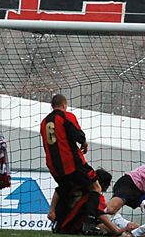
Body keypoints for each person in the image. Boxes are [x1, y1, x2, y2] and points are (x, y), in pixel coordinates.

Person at [41, 94, 102, 224]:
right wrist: (83, 142)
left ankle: (59, 223)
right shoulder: (66, 116)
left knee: (67, 191)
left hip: (54, 167)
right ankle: (90, 222)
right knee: (95, 187)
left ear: (52, 106)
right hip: (72, 163)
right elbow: (76, 133)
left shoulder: (44, 122)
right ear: (64, 105)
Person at [52, 168, 137, 236]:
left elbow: (58, 191)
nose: (109, 186)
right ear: (103, 184)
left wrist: (51, 211)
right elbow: (101, 215)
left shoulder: (78, 188)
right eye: (108, 183)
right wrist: (117, 230)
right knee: (120, 232)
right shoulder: (95, 196)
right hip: (74, 227)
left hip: (62, 225)